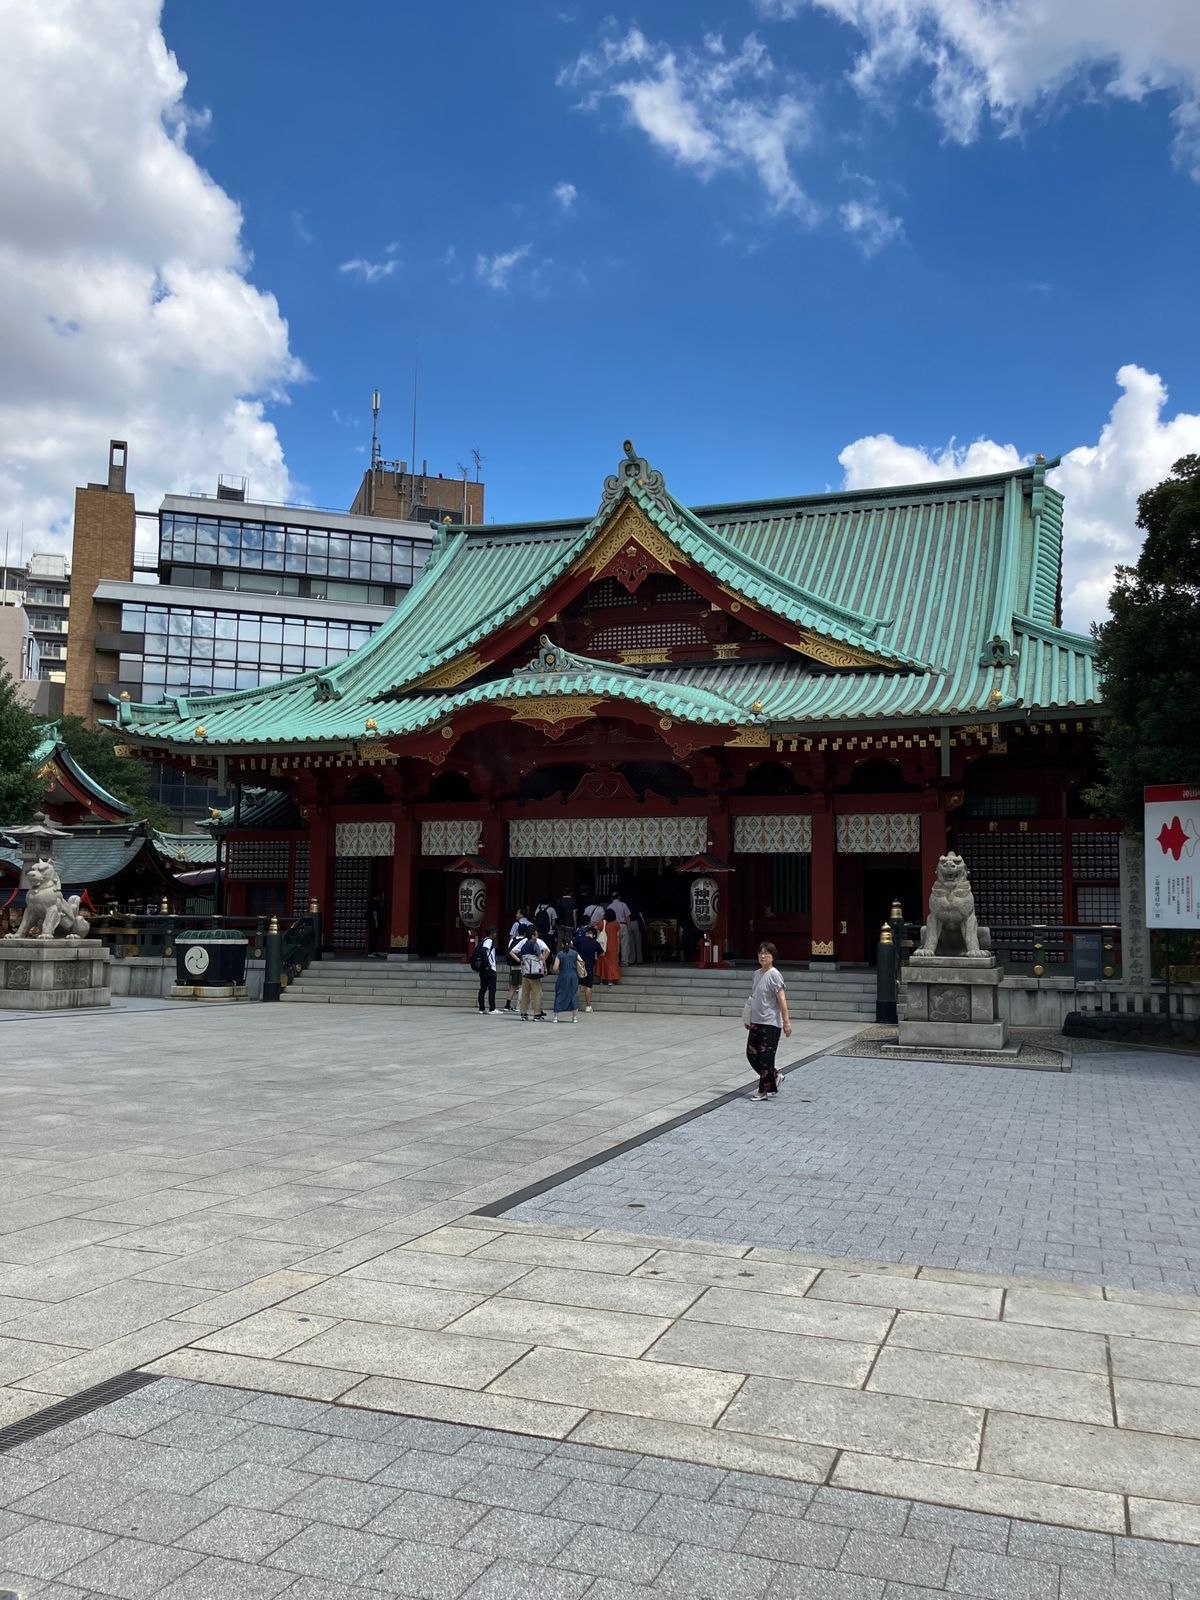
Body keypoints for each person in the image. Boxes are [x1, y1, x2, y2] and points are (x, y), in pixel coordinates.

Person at [745, 941, 792, 1100]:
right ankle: (775, 1076)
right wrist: (748, 1018)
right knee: (751, 1054)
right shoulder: (756, 974)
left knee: (766, 1059)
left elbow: (782, 1000)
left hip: (771, 1023)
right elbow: (754, 998)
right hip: (756, 1021)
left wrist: (786, 1022)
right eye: (760, 952)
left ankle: (762, 1091)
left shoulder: (774, 974)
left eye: (767, 953)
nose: (763, 956)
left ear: (773, 957)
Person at [515, 925, 550, 1020]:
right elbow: (541, 958)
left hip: (525, 972)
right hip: (534, 973)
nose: (537, 935)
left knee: (525, 993)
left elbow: (521, 958)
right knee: (537, 993)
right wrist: (545, 968)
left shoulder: (524, 946)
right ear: (533, 935)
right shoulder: (535, 945)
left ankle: (523, 1013)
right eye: (536, 933)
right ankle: (537, 1014)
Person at [550, 930, 582, 1022]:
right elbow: (581, 961)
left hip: (563, 976)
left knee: (560, 994)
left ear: (562, 944)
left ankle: (556, 1017)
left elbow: (555, 968)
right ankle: (574, 1017)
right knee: (574, 995)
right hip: (573, 976)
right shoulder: (575, 953)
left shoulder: (560, 954)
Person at [573, 921, 598, 1012]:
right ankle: (588, 1006)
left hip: (579, 964)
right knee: (588, 986)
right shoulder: (594, 942)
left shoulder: (580, 940)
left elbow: (572, 943)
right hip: (589, 965)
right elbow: (602, 953)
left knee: (578, 985)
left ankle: (575, 1005)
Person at [595, 906, 622, 986]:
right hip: (613, 946)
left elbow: (598, 935)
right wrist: (618, 947)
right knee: (612, 963)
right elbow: (617, 937)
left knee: (602, 963)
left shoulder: (601, 923)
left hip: (603, 946)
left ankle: (601, 980)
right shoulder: (616, 924)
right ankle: (611, 980)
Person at [476, 925, 498, 1015]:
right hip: (489, 968)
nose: (496, 934)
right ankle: (492, 1009)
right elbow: (484, 951)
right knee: (492, 989)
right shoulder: (489, 941)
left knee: (483, 988)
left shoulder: (484, 940)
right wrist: (487, 964)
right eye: (495, 933)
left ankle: (481, 1008)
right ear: (492, 934)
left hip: (483, 969)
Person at [609, 890, 633, 967]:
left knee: (614, 945)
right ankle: (624, 961)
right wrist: (629, 928)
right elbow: (627, 917)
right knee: (625, 944)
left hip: (613, 926)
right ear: (619, 897)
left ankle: (615, 961)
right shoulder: (623, 905)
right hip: (623, 925)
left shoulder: (610, 906)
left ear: (611, 898)